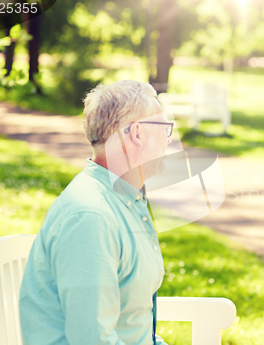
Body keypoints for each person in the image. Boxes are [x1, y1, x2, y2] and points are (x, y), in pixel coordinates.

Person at [19, 80, 173, 345]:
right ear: (137, 133)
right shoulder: (90, 217)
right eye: (163, 128)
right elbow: (92, 339)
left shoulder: (125, 200)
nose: (168, 138)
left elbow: (131, 323)